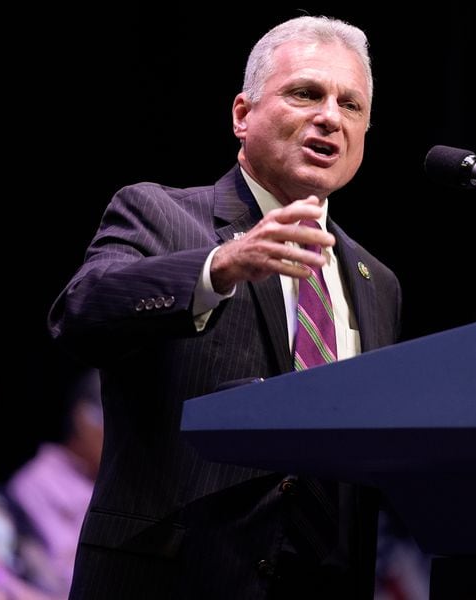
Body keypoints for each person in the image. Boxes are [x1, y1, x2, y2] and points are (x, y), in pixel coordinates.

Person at [47, 15, 401, 600]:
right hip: (171, 580)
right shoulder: (159, 214)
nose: (330, 117)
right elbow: (80, 314)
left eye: (352, 105)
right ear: (242, 114)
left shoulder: (377, 281)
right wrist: (221, 266)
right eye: (306, 93)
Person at [5, 369, 103, 598]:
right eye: (116, 423)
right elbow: (64, 576)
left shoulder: (115, 482)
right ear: (84, 420)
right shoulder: (37, 483)